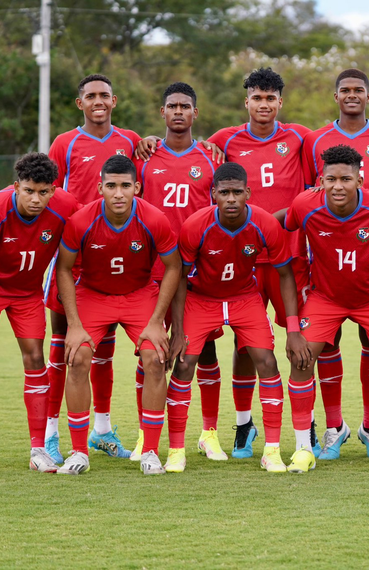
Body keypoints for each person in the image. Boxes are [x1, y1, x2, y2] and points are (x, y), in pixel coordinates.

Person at [282, 145, 369, 474]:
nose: (338, 186)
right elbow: (280, 223)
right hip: (326, 297)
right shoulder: (305, 205)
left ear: (359, 180)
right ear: (320, 181)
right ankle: (303, 449)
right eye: (330, 179)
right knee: (301, 359)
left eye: (346, 179)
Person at [165, 162, 310, 473]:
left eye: (237, 192)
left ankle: (271, 450)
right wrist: (177, 329)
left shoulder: (265, 223)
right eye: (224, 193)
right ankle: (176, 450)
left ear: (248, 193)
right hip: (202, 299)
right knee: (185, 363)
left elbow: (285, 274)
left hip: (244, 298)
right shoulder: (195, 225)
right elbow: (179, 277)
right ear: (213, 194)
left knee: (267, 361)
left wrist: (293, 329)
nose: (231, 199)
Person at [300, 68, 369, 461]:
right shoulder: (315, 140)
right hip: (327, 256)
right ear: (335, 96)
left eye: (358, 89)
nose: (351, 95)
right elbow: (305, 195)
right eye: (344, 90)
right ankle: (334, 427)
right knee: (325, 343)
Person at [55, 155, 181, 475]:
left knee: (156, 358)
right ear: (100, 188)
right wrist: (74, 324)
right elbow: (64, 269)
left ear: (137, 187)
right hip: (94, 295)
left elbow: (174, 266)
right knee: (78, 357)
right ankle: (79, 452)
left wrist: (157, 321)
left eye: (126, 186)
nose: (119, 193)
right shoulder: (81, 221)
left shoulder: (154, 218)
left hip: (139, 294)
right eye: (111, 186)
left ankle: (150, 452)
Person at [207, 68, 311, 458]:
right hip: (244, 259)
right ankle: (243, 424)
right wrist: (147, 141)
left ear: (280, 102)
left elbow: (340, 148)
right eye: (257, 98)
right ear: (246, 101)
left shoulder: (300, 137)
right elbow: (186, 150)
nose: (263, 104)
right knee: (245, 344)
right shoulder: (224, 139)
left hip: (289, 257)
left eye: (270, 98)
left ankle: (306, 425)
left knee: (303, 340)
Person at [0, 153, 79, 477]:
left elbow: (87, 235)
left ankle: (38, 450)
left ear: (54, 190)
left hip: (27, 292)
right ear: (16, 187)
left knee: (36, 358)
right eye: (29, 191)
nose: (36, 199)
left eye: (43, 192)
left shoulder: (66, 206)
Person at [44, 74, 143, 463]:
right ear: (79, 103)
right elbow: (46, 190)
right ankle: (50, 434)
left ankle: (101, 430)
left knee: (104, 349)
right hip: (72, 256)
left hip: (114, 257)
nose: (98, 101)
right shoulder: (64, 143)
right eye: (91, 96)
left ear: (114, 101)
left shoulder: (131, 140)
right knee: (63, 346)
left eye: (104, 95)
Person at [133, 81, 225, 461]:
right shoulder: (145, 157)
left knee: (204, 351)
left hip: (198, 271)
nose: (178, 112)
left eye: (185, 106)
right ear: (162, 112)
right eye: (172, 106)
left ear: (195, 113)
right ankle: (145, 433)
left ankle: (209, 433)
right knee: (150, 354)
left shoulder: (210, 158)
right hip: (153, 270)